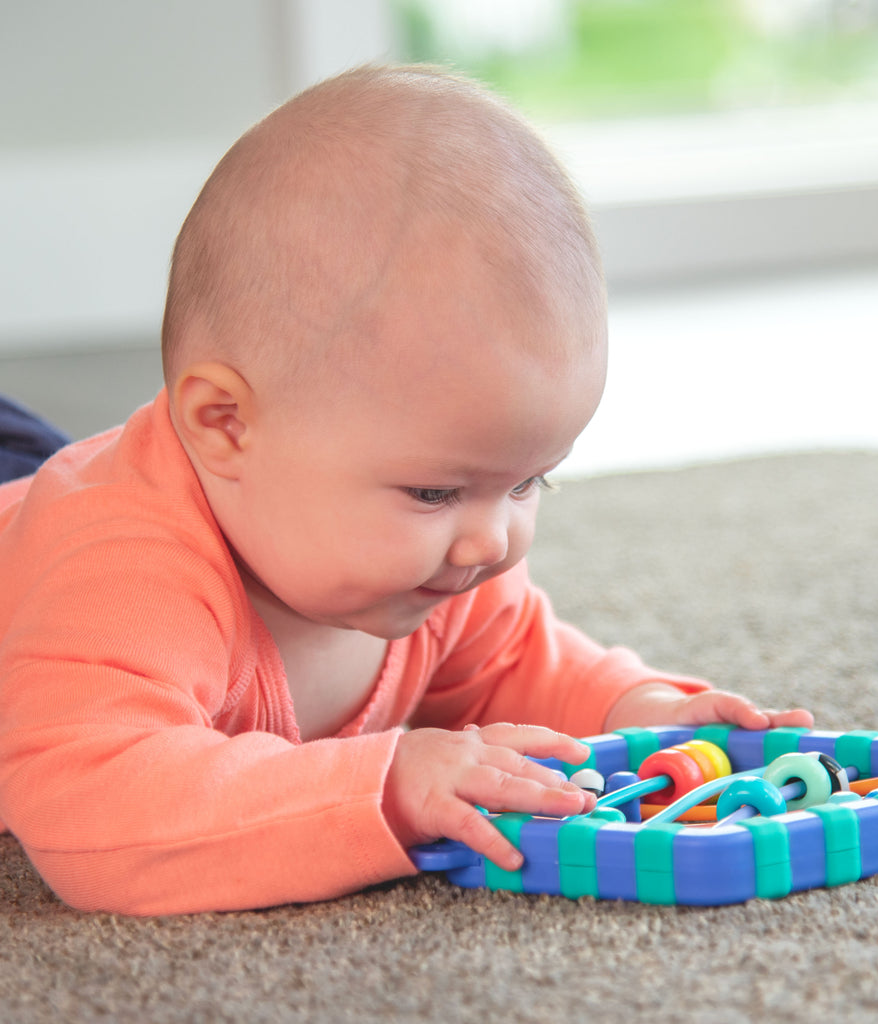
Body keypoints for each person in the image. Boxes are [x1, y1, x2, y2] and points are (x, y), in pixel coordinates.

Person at [0, 64, 812, 915]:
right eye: (434, 492)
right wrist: (380, 787)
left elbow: (512, 665)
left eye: (528, 482)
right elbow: (96, 809)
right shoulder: (121, 572)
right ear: (227, 426)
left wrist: (634, 711)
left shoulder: (442, 562)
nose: (490, 543)